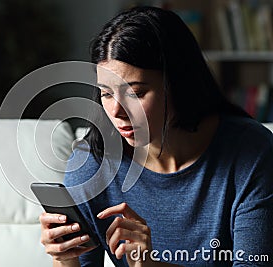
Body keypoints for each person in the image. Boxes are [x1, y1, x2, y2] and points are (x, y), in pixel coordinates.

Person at [39, 6, 273, 266]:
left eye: (135, 93)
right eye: (106, 93)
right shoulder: (92, 161)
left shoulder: (253, 152)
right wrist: (63, 257)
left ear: (178, 85)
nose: (117, 111)